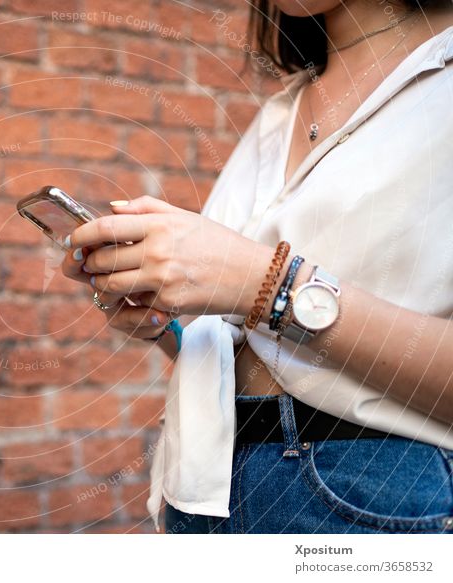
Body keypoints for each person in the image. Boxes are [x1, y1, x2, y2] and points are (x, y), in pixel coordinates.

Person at [61, 0, 453, 533]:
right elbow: (255, 340)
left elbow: (259, 291)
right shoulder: (278, 114)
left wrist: (260, 283)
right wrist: (168, 319)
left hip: (366, 484)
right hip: (203, 488)